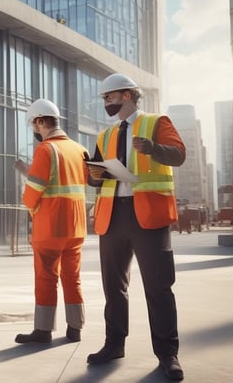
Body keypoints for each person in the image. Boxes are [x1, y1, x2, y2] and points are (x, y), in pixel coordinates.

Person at [87, 73, 186, 381]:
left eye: (109, 97)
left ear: (127, 95)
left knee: (158, 287)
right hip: (113, 215)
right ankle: (114, 344)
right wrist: (94, 173)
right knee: (113, 287)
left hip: (149, 217)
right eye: (104, 99)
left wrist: (153, 148)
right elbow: (95, 176)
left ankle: (168, 354)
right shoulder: (105, 135)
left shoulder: (157, 122)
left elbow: (179, 155)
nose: (106, 102)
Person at [13, 99, 89, 344]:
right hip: (76, 226)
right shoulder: (79, 149)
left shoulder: (46, 150)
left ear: (40, 121)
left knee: (46, 276)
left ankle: (43, 330)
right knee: (72, 275)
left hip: (50, 227)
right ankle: (75, 328)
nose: (35, 131)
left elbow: (34, 191)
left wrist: (29, 200)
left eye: (34, 126)